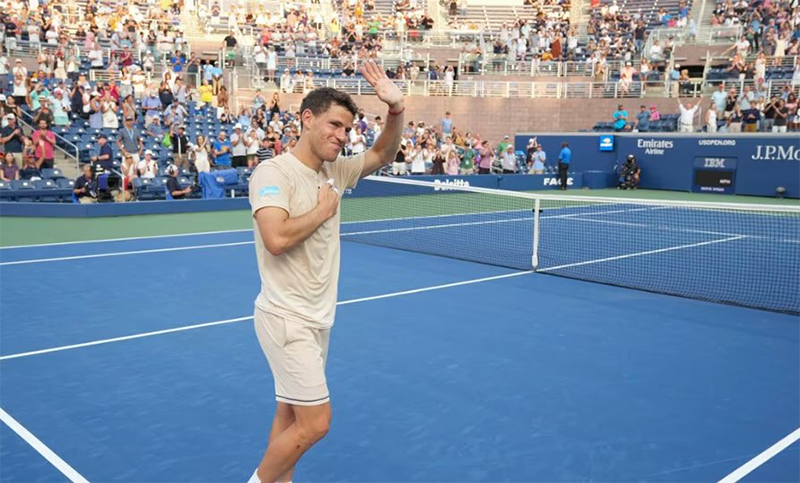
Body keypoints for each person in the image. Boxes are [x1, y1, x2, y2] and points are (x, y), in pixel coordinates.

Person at [247, 61, 404, 483]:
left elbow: (383, 153)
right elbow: (276, 238)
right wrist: (321, 210)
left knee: (289, 414)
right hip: (286, 318)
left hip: (317, 320)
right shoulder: (272, 172)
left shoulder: (336, 170)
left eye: (348, 129)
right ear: (308, 119)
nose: (342, 135)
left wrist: (396, 110)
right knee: (316, 423)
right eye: (334, 125)